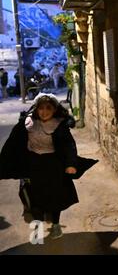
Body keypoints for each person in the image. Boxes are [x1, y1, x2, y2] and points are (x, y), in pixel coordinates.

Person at [0, 93, 98, 239]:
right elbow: (13, 144)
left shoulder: (59, 126)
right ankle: (37, 229)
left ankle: (56, 225)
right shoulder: (27, 123)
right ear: (36, 109)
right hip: (33, 165)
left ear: (54, 110)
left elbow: (69, 146)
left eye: (48, 108)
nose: (44, 112)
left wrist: (70, 164)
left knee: (55, 196)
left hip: (53, 165)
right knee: (34, 196)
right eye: (41, 108)